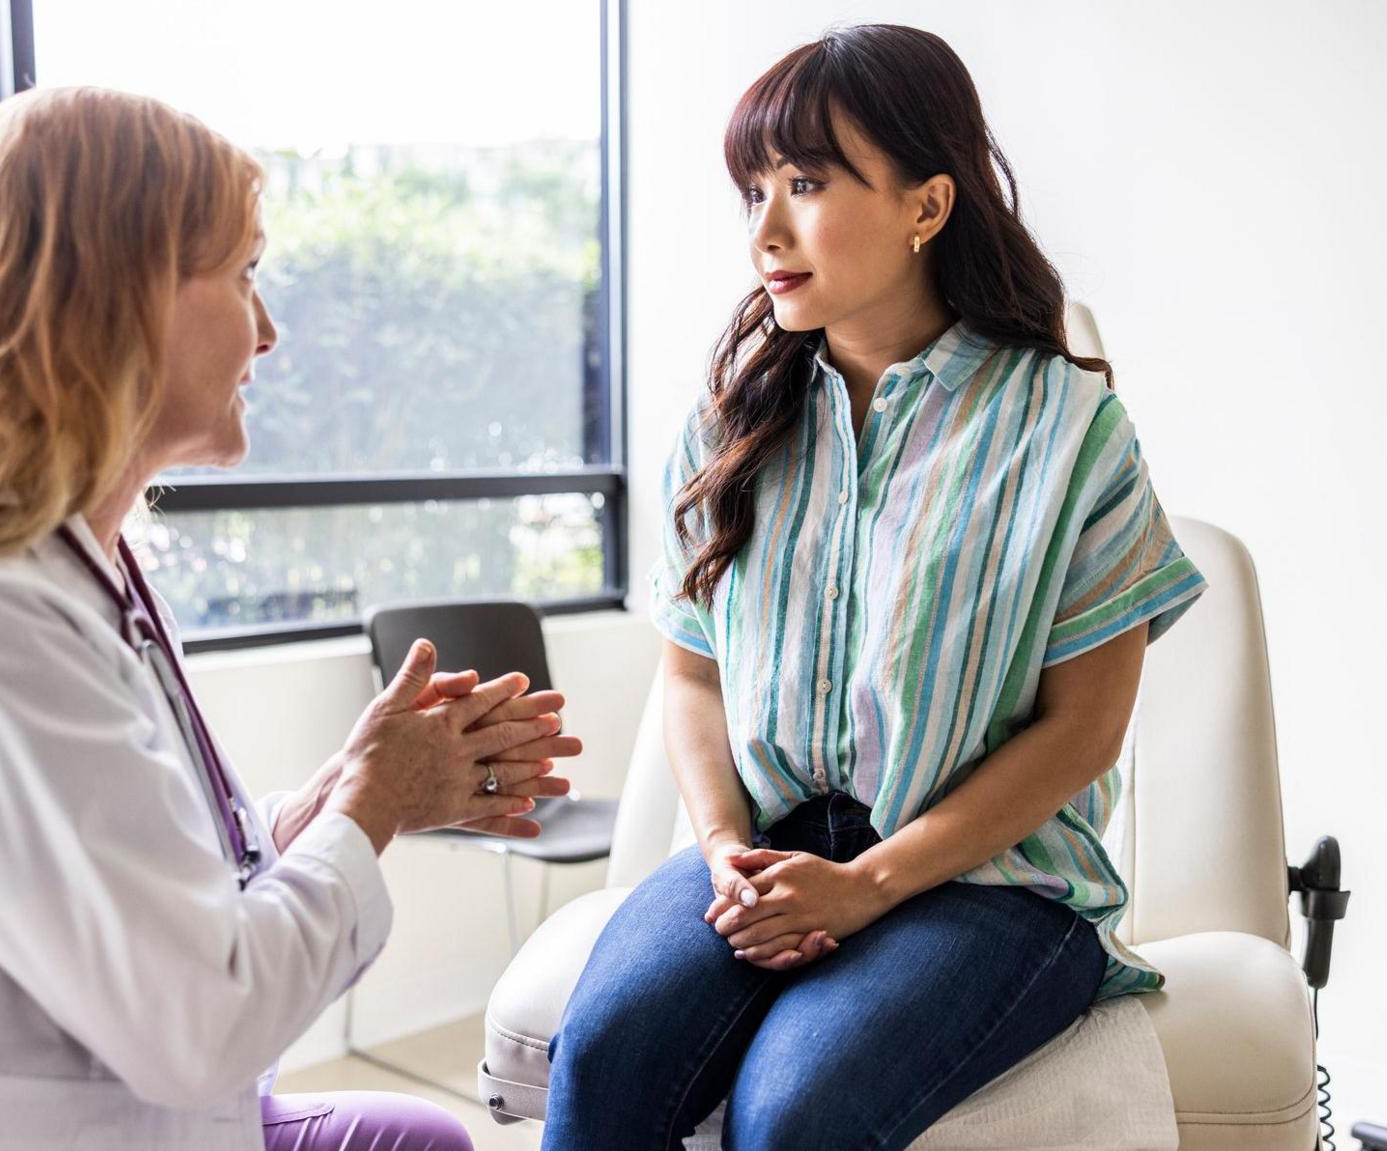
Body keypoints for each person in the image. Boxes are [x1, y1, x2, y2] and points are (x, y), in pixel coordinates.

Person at [0, 86, 580, 1151]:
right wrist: (370, 807)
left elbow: (148, 870)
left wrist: (320, 806)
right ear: (119, 296)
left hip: (136, 1107)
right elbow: (200, 1021)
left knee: (424, 1138)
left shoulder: (80, 562)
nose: (269, 331)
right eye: (242, 275)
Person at [542, 25, 1207, 1150]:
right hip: (764, 842)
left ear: (925, 205)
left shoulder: (1065, 429)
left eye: (804, 183)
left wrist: (868, 885)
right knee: (603, 1054)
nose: (764, 229)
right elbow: (691, 677)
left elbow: (1083, 731)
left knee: (796, 1111)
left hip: (996, 884)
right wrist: (721, 851)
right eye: (753, 188)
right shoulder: (728, 426)